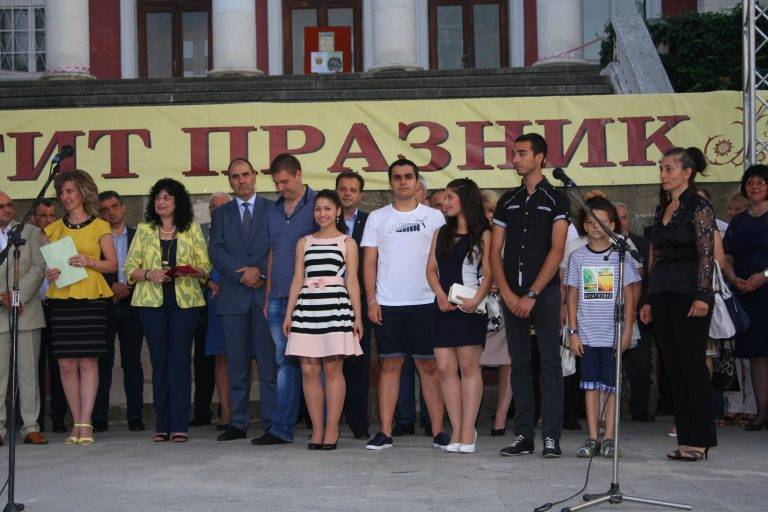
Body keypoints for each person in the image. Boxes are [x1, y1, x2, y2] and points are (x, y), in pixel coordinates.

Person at [491, 133, 570, 458]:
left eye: (522, 153)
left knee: (550, 362)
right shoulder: (507, 199)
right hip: (512, 293)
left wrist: (534, 292)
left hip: (545, 294)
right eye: (514, 153)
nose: (515, 159)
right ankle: (523, 434)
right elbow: (494, 251)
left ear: (540, 157)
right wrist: (509, 294)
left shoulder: (557, 198)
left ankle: (551, 435)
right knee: (519, 363)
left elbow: (557, 248)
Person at [362, 158, 447, 450]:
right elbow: (369, 262)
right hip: (388, 303)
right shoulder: (377, 218)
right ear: (390, 183)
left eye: (408, 176)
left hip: (426, 301)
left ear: (416, 181)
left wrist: (441, 294)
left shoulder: (435, 217)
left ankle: (438, 431)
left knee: (429, 368)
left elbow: (442, 261)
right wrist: (372, 299)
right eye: (397, 177)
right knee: (390, 366)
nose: (403, 181)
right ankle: (385, 432)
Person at [639, 147, 717, 461]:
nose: (663, 174)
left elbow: (707, 255)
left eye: (669, 168)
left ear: (687, 172)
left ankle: (701, 439)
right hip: (662, 292)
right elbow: (654, 256)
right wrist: (647, 299)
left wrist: (703, 295)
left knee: (693, 365)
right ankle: (686, 438)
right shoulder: (663, 209)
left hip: (689, 293)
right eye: (661, 168)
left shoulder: (699, 206)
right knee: (673, 367)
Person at [124, 178, 210, 443]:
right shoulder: (144, 229)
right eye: (158, 197)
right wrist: (149, 273)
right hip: (151, 303)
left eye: (166, 198)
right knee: (159, 361)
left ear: (177, 203)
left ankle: (180, 424)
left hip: (185, 303)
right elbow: (129, 270)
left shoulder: (192, 229)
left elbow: (205, 267)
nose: (160, 202)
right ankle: (162, 423)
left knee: (180, 361)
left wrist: (194, 271)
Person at [283, 190, 363, 450]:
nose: (322, 213)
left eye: (328, 208)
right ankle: (316, 428)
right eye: (318, 209)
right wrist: (289, 314)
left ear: (338, 211)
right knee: (308, 369)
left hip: (336, 309)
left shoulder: (347, 243)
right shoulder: (303, 242)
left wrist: (357, 317)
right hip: (307, 309)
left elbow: (352, 281)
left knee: (332, 369)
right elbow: (297, 279)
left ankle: (332, 428)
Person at [44, 170, 118, 446]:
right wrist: (48, 273)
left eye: (70, 191)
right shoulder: (54, 229)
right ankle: (75, 422)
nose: (66, 197)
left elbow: (112, 264)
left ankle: (86, 422)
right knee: (64, 364)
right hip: (62, 298)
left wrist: (90, 261)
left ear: (83, 192)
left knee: (88, 361)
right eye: (62, 192)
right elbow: (48, 265)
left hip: (91, 298)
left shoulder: (100, 226)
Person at [565, 197, 641, 458]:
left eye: (602, 222)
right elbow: (572, 296)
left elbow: (630, 295)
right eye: (590, 222)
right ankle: (592, 437)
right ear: (584, 225)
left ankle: (610, 437)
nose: (596, 227)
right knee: (590, 386)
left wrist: (628, 330)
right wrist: (572, 333)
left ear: (612, 224)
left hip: (613, 334)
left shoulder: (622, 254)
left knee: (611, 387)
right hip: (587, 333)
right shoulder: (577, 257)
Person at [209, 159, 277, 443]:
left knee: (269, 363)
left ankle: (273, 423)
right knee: (236, 364)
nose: (241, 181)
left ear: (255, 176)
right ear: (230, 181)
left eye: (246, 175)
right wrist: (242, 275)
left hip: (264, 294)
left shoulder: (272, 209)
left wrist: (259, 271)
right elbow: (217, 250)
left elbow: (277, 245)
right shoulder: (222, 213)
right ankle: (237, 422)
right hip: (234, 296)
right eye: (235, 177)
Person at [427, 179, 492, 453]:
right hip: (442, 307)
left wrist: (476, 300)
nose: (446, 202)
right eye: (445, 197)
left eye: (451, 197)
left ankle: (468, 431)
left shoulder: (484, 234)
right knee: (444, 369)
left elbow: (490, 273)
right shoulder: (440, 232)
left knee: (468, 368)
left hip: (470, 307)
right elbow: (431, 269)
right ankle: (455, 430)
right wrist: (440, 294)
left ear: (466, 200)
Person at [261, 154, 318, 445]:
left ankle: (321, 427)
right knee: (284, 361)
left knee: (315, 362)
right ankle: (281, 428)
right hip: (278, 297)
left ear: (298, 174)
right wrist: (268, 293)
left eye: (285, 181)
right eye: (276, 183)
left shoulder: (318, 204)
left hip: (310, 297)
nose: (281, 187)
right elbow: (271, 253)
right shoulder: (272, 210)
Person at [93, 191, 145, 432]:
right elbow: (91, 270)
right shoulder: (96, 238)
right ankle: (99, 418)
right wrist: (109, 286)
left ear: (123, 208)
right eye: (104, 209)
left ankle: (135, 416)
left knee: (132, 362)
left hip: (133, 304)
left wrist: (129, 287)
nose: (110, 212)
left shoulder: (139, 236)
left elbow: (148, 266)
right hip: (104, 304)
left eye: (114, 207)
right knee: (102, 363)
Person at [722, 165, 768, 431]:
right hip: (748, 293)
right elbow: (727, 255)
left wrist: (764, 274)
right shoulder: (739, 221)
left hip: (764, 283)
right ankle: (761, 413)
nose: (755, 186)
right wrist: (731, 276)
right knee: (757, 355)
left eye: (761, 182)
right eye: (750, 182)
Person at [0, 192, 47, 445]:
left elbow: (39, 267)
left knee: (29, 372)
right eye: (2, 206)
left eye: (10, 205)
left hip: (26, 310)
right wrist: (2, 296)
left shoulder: (29, 232)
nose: (7, 210)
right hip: (0, 310)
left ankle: (30, 426)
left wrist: (17, 296)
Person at [336, 171, 372, 439]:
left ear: (360, 194)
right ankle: (330, 420)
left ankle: (359, 421)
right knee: (329, 362)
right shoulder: (324, 220)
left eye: (353, 189)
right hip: (329, 301)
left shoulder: (371, 222)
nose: (347, 193)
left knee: (358, 362)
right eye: (343, 188)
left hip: (361, 300)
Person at [614, 202, 655, 423]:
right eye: (617, 217)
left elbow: (651, 278)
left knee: (640, 364)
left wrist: (646, 303)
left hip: (638, 312)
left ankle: (639, 409)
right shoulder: (599, 245)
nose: (622, 222)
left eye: (625, 217)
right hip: (608, 312)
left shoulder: (642, 243)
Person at [478, 190, 512, 436]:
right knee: (473, 362)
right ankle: (471, 416)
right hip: (477, 305)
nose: (489, 216)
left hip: (504, 303)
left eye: (492, 211)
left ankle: (500, 417)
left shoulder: (509, 236)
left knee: (507, 362)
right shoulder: (471, 236)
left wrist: (500, 282)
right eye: (484, 212)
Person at [34, 199, 67, 433]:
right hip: (34, 307)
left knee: (58, 364)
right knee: (34, 365)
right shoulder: (27, 242)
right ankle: (34, 419)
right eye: (43, 216)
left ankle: (58, 418)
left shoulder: (63, 240)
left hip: (57, 307)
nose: (48, 220)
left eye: (52, 215)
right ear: (36, 219)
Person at [204, 192, 233, 431]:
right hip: (214, 298)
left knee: (247, 356)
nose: (219, 211)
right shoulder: (202, 233)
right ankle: (226, 411)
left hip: (242, 293)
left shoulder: (243, 228)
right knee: (221, 357)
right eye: (214, 207)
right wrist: (207, 280)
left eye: (224, 206)